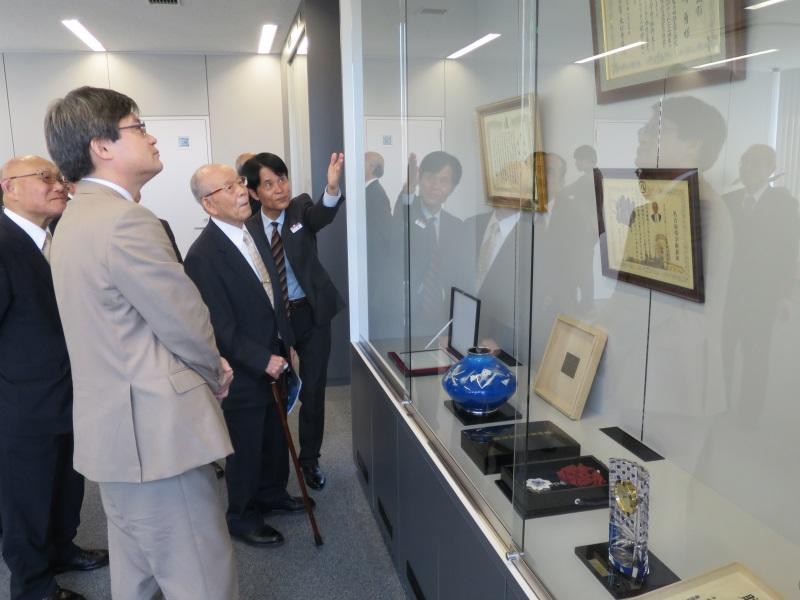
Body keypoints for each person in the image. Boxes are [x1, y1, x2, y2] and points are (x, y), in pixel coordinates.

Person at [44, 86, 238, 600]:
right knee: (201, 578)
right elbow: (185, 320)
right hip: (158, 439)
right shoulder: (126, 221)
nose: (152, 138)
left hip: (115, 435)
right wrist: (214, 369)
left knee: (138, 575)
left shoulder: (73, 220)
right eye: (138, 126)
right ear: (101, 146)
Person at [0, 155, 108, 600]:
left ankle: (62, 549)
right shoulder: (4, 243)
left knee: (66, 484)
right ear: (9, 187)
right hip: (23, 405)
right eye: (44, 177)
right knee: (26, 501)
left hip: (69, 394)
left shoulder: (54, 239)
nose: (59, 185)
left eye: (60, 177)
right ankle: (34, 587)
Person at [185, 163, 309, 547]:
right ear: (209, 203)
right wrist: (260, 359)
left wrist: (285, 341)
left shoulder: (250, 231)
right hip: (243, 366)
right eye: (229, 187)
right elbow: (219, 327)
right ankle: (241, 515)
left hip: (274, 355)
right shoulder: (203, 255)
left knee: (275, 434)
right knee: (246, 443)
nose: (242, 190)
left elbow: (274, 295)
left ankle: (271, 494)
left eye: (239, 182)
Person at [241, 151, 345, 491]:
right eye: (269, 184)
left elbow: (323, 215)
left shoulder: (300, 209)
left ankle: (310, 461)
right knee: (280, 390)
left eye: (282, 179)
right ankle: (273, 465)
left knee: (314, 389)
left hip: (312, 313)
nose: (279, 189)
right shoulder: (248, 228)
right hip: (276, 318)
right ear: (254, 192)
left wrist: (331, 187)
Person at [394, 151, 465, 340]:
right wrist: (408, 189)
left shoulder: (458, 227)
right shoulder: (407, 213)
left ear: (452, 187)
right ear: (420, 179)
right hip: (406, 318)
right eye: (430, 178)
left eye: (443, 181)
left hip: (442, 321)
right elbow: (400, 213)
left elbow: (460, 278)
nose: (435, 186)